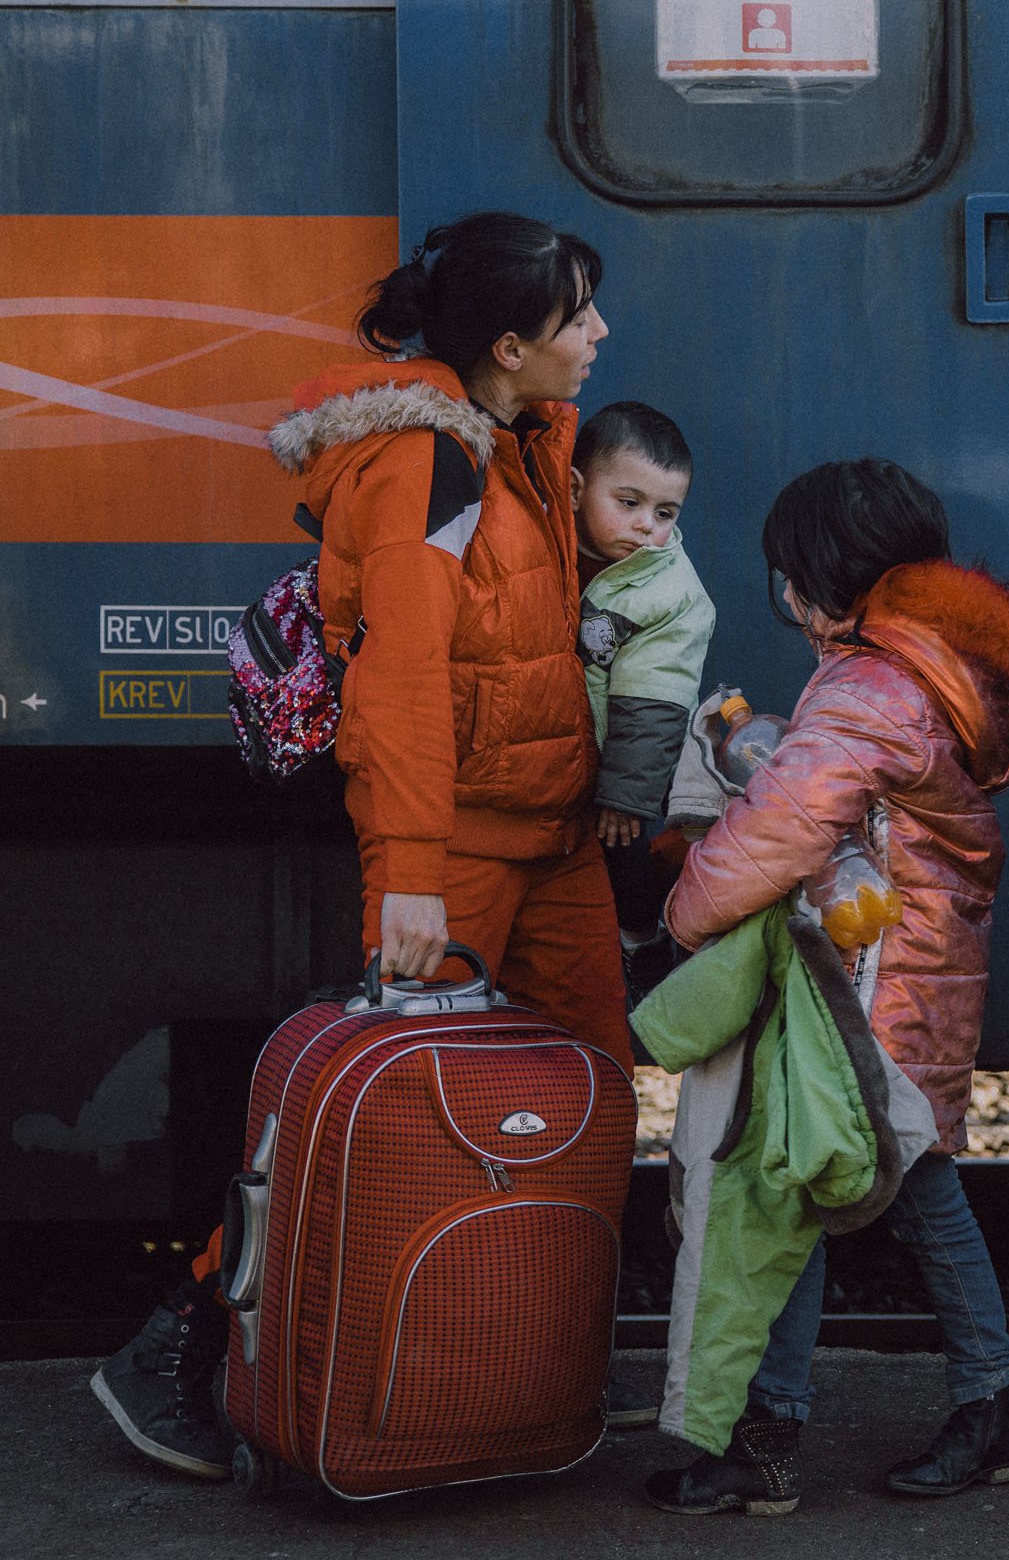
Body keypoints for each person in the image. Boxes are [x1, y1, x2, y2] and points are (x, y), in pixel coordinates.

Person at [89, 211, 640, 1479]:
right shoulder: (425, 466)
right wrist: (410, 880)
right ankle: (179, 1357)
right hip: (464, 855)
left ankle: (500, 1358)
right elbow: (398, 683)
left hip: (549, 839)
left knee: (590, 1098)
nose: (601, 334)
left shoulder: (526, 441)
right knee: (402, 1130)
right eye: (579, 315)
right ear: (510, 344)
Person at [642, 459, 1009, 1517]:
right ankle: (961, 1407)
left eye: (782, 580)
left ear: (813, 584)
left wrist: (681, 908)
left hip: (869, 980)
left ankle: (797, 1431)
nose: (782, 600)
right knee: (890, 1180)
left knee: (807, 1181)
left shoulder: (866, 684)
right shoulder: (931, 671)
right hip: (911, 967)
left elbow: (785, 827)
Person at [572, 399, 714, 1003]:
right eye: (628, 503)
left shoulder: (668, 590)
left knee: (621, 848)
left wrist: (627, 796)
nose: (645, 527)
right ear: (576, 488)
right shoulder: (543, 539)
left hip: (618, 761)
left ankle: (642, 938)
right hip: (554, 748)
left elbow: (655, 701)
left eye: (665, 513)